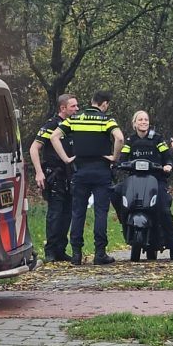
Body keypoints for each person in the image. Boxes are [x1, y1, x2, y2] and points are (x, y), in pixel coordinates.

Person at [50, 90, 124, 266]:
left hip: (80, 171)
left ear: (91, 102)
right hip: (101, 171)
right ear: (104, 104)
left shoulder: (75, 119)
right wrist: (115, 157)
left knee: (78, 213)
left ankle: (76, 254)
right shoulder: (107, 120)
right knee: (100, 212)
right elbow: (119, 138)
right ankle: (100, 253)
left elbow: (54, 137)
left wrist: (66, 159)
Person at [113, 111, 173, 261]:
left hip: (156, 181)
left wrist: (168, 166)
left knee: (164, 209)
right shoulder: (130, 140)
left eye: (146, 119)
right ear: (134, 123)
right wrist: (118, 165)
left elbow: (167, 158)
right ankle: (125, 221)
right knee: (116, 192)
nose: (143, 122)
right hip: (135, 181)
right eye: (140, 120)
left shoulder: (157, 139)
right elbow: (123, 158)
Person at [30, 94, 80, 261]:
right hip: (55, 174)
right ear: (63, 108)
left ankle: (60, 249)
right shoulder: (52, 125)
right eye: (73, 106)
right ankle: (50, 251)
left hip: (71, 174)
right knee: (55, 213)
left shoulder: (75, 125)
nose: (77, 109)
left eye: (77, 106)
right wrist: (39, 172)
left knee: (67, 213)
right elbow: (34, 148)